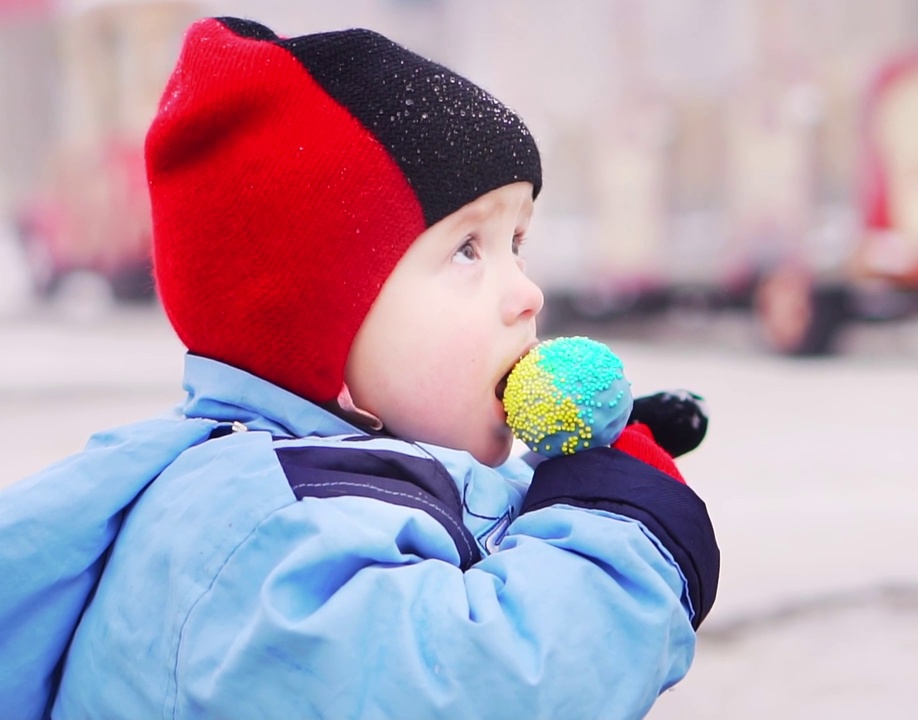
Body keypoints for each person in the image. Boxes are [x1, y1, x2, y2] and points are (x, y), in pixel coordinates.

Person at [0, 17, 718, 720]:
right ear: (323, 328)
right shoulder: (266, 534)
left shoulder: (328, 484)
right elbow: (494, 687)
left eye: (518, 243)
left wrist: (584, 476)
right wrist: (622, 521)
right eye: (468, 249)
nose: (526, 294)